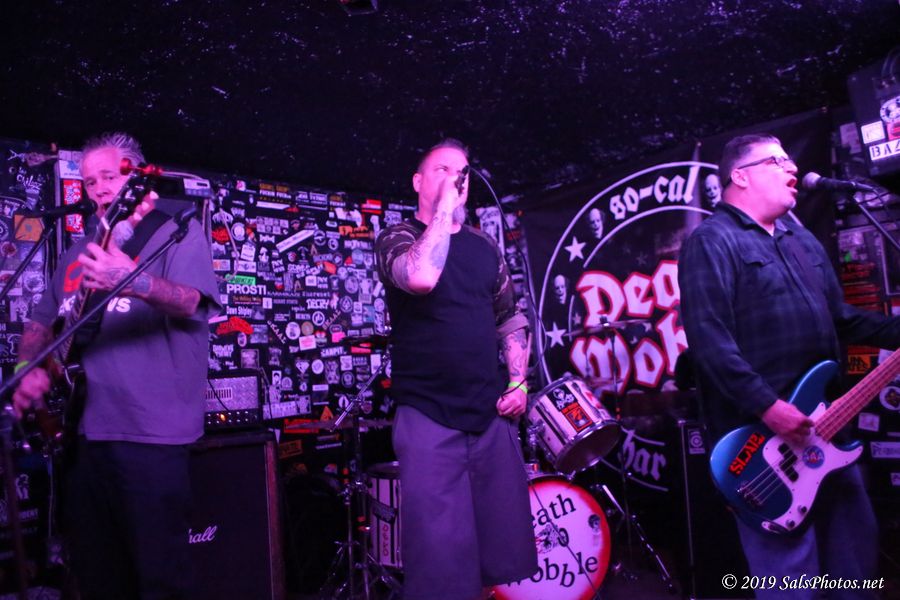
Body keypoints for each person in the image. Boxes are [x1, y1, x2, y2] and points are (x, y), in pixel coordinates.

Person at [678, 133, 899, 599]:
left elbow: (842, 318)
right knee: (791, 581)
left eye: (789, 159)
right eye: (776, 161)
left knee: (856, 572)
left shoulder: (800, 240)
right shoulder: (711, 241)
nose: (792, 168)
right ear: (740, 176)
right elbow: (710, 342)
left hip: (828, 429)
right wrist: (770, 407)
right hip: (763, 448)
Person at [12, 132, 220, 600]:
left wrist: (130, 279)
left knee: (160, 579)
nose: (99, 188)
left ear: (136, 178)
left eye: (109, 176)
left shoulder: (176, 230)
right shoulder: (78, 252)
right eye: (89, 181)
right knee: (99, 575)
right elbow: (41, 320)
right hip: (84, 434)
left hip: (151, 433)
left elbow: (191, 302)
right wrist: (30, 367)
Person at [375, 139, 537, 600]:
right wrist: (445, 208)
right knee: (440, 557)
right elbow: (421, 277)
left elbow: (509, 318)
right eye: (442, 169)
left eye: (462, 171)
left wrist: (519, 381)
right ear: (417, 182)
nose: (456, 178)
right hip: (428, 413)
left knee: (495, 549)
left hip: (489, 413)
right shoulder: (396, 238)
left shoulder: (485, 247)